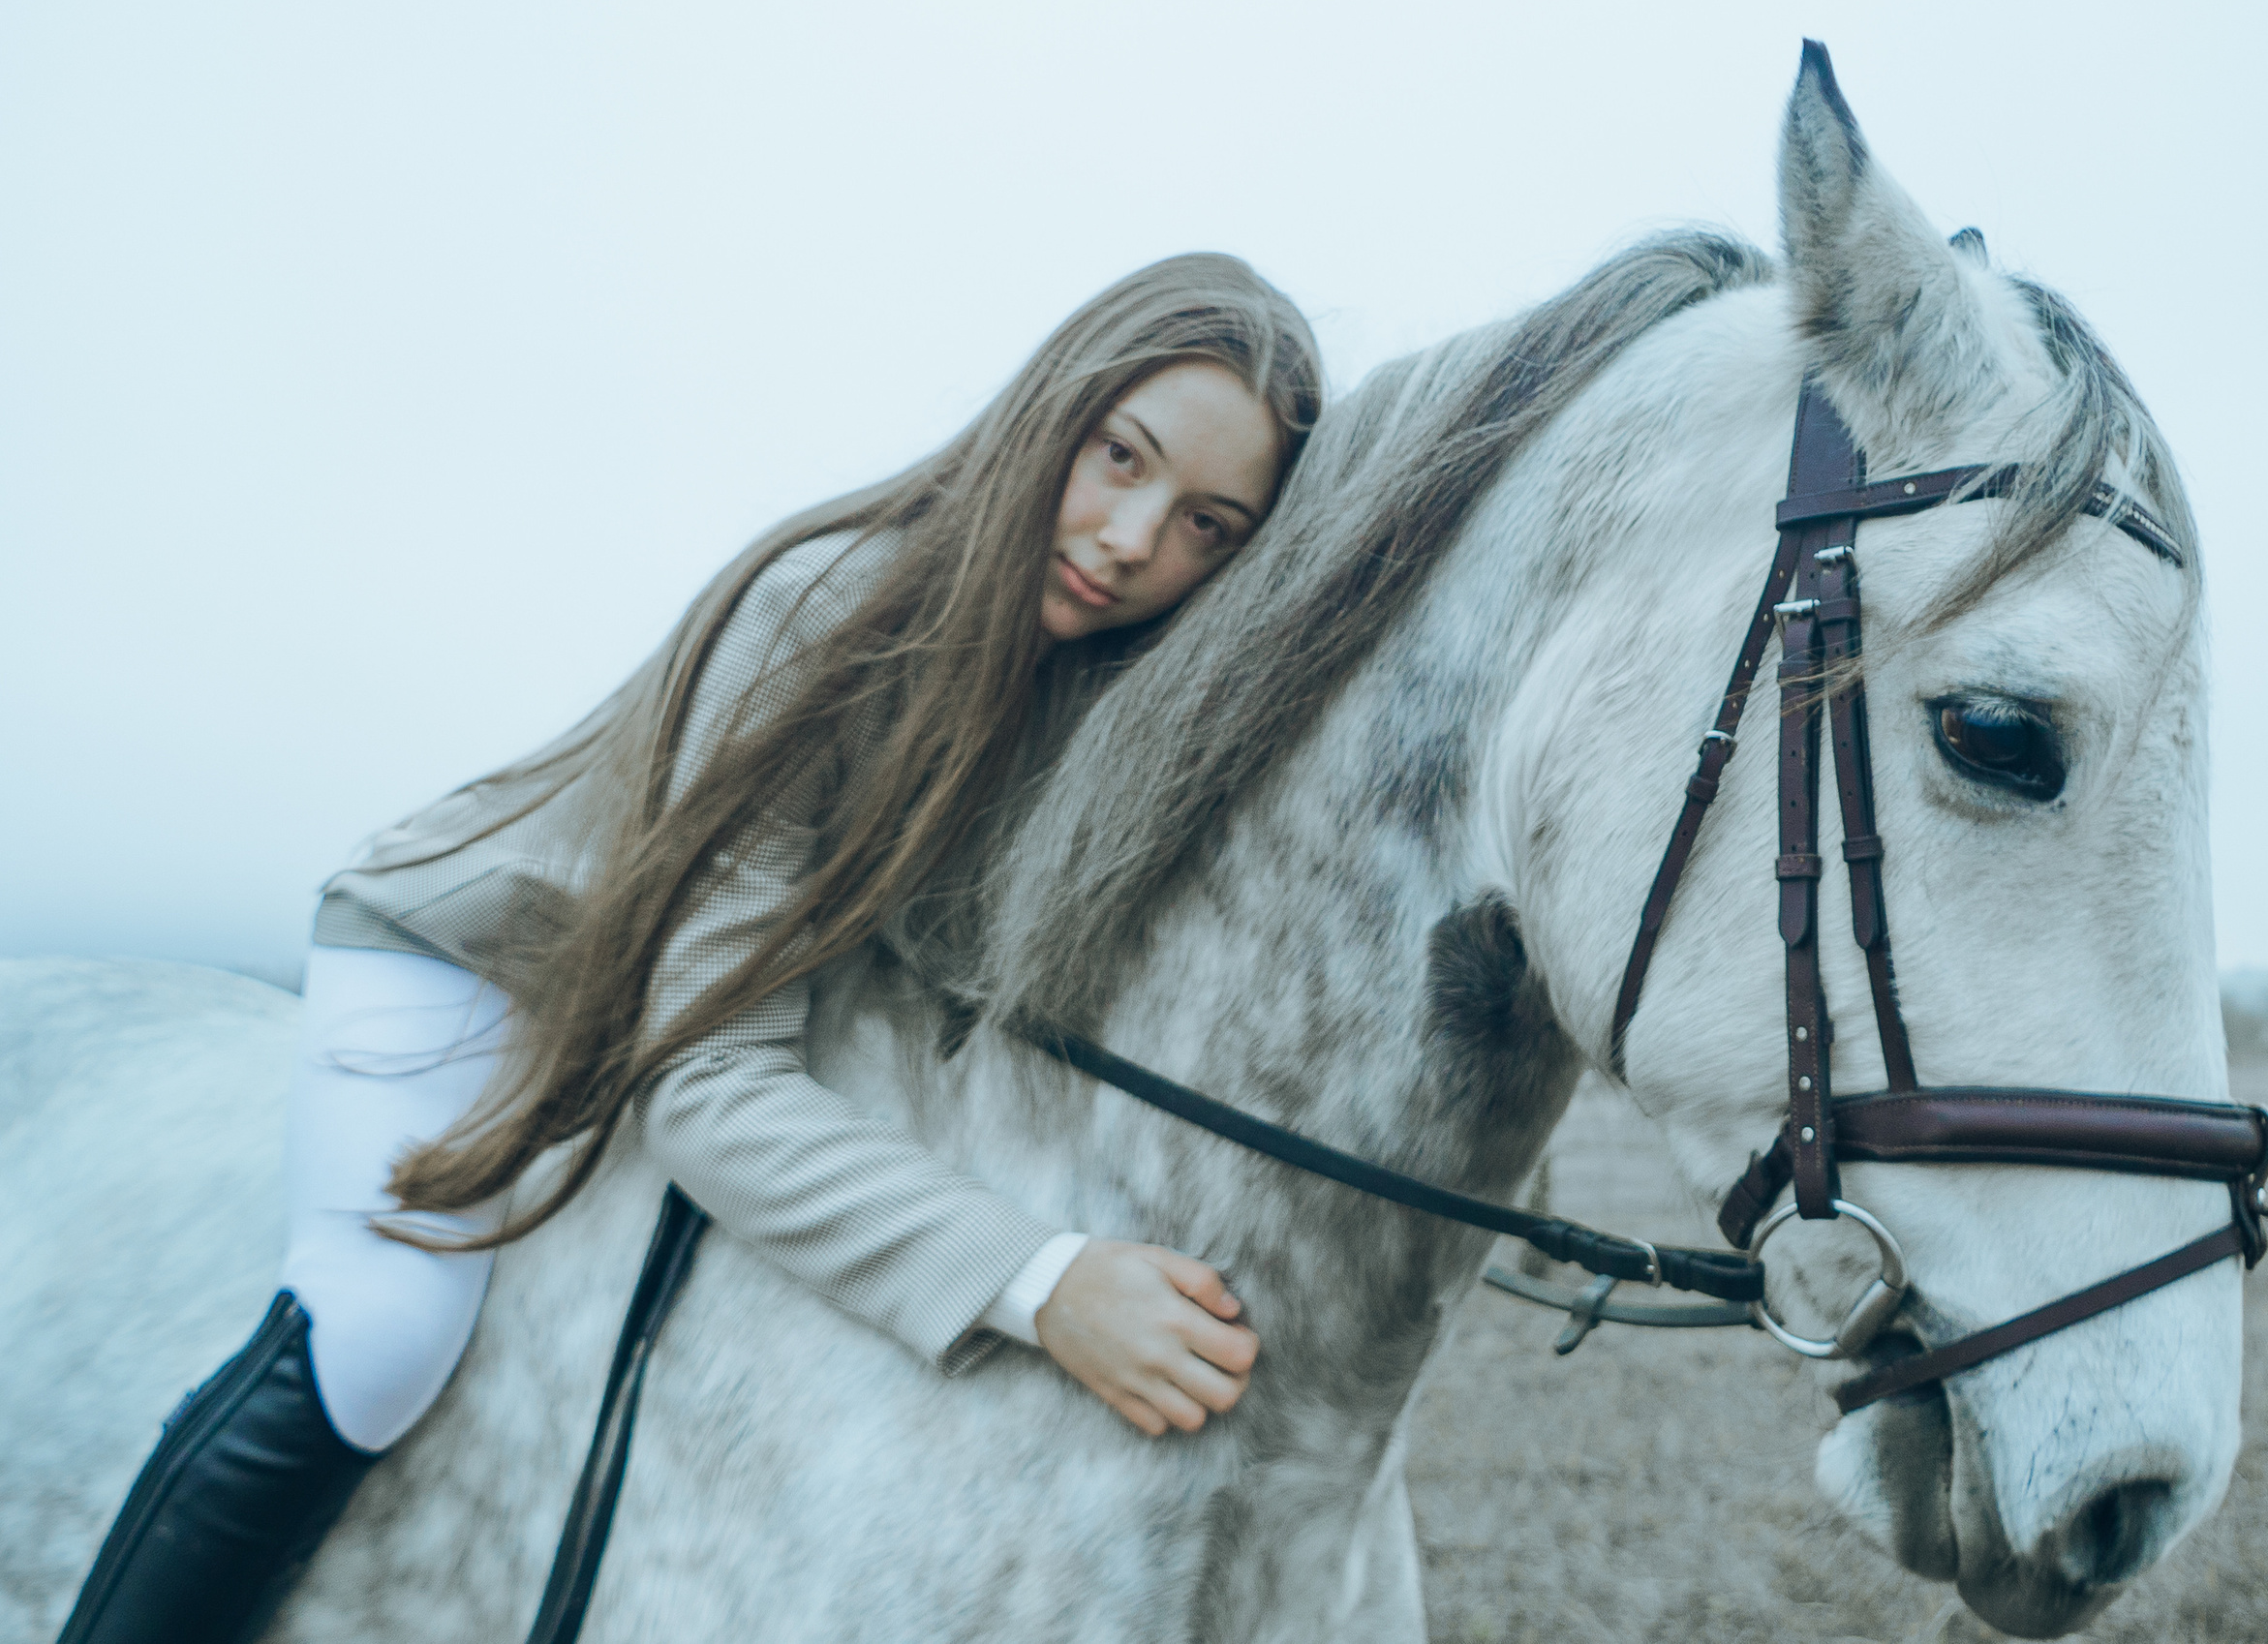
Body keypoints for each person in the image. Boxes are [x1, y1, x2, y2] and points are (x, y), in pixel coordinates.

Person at [58, 254, 1324, 1644]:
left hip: (706, 998)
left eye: (1207, 525)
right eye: (1119, 456)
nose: (1134, 540)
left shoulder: (1097, 683)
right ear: (1051, 415)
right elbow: (705, 1076)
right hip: (480, 960)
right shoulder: (822, 608)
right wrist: (1039, 1281)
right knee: (376, 1337)